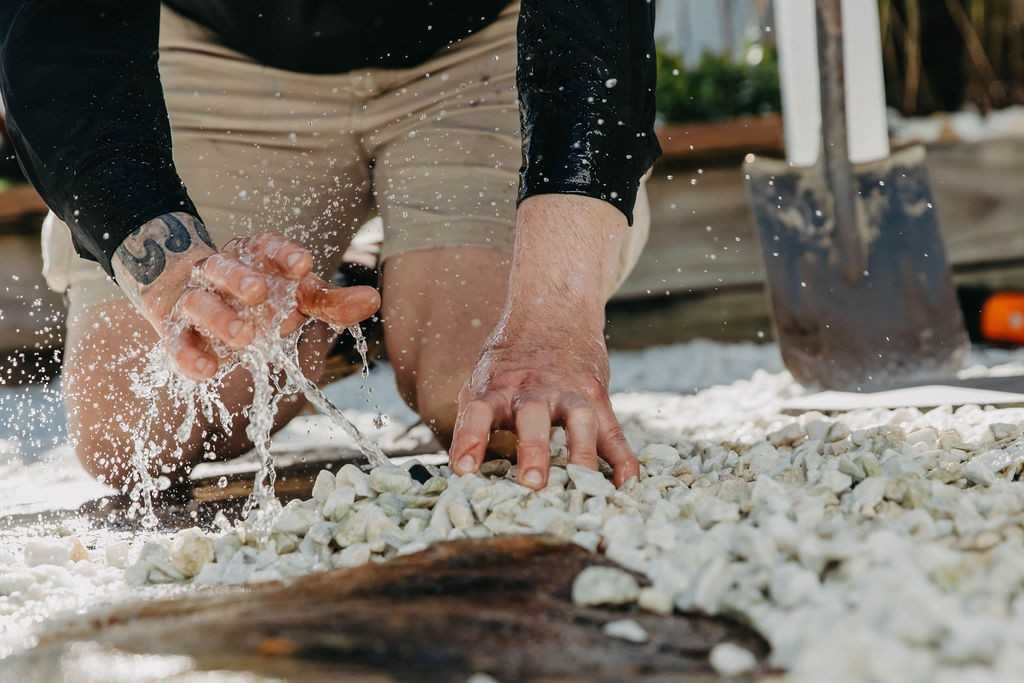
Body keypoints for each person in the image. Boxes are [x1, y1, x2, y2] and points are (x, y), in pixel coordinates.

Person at [0, 1, 660, 493]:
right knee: (130, 428)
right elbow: (58, 33)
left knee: (499, 409)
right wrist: (174, 273)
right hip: (214, 47)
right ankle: (331, 316)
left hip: (483, 42)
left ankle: (402, 299)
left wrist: (553, 317)